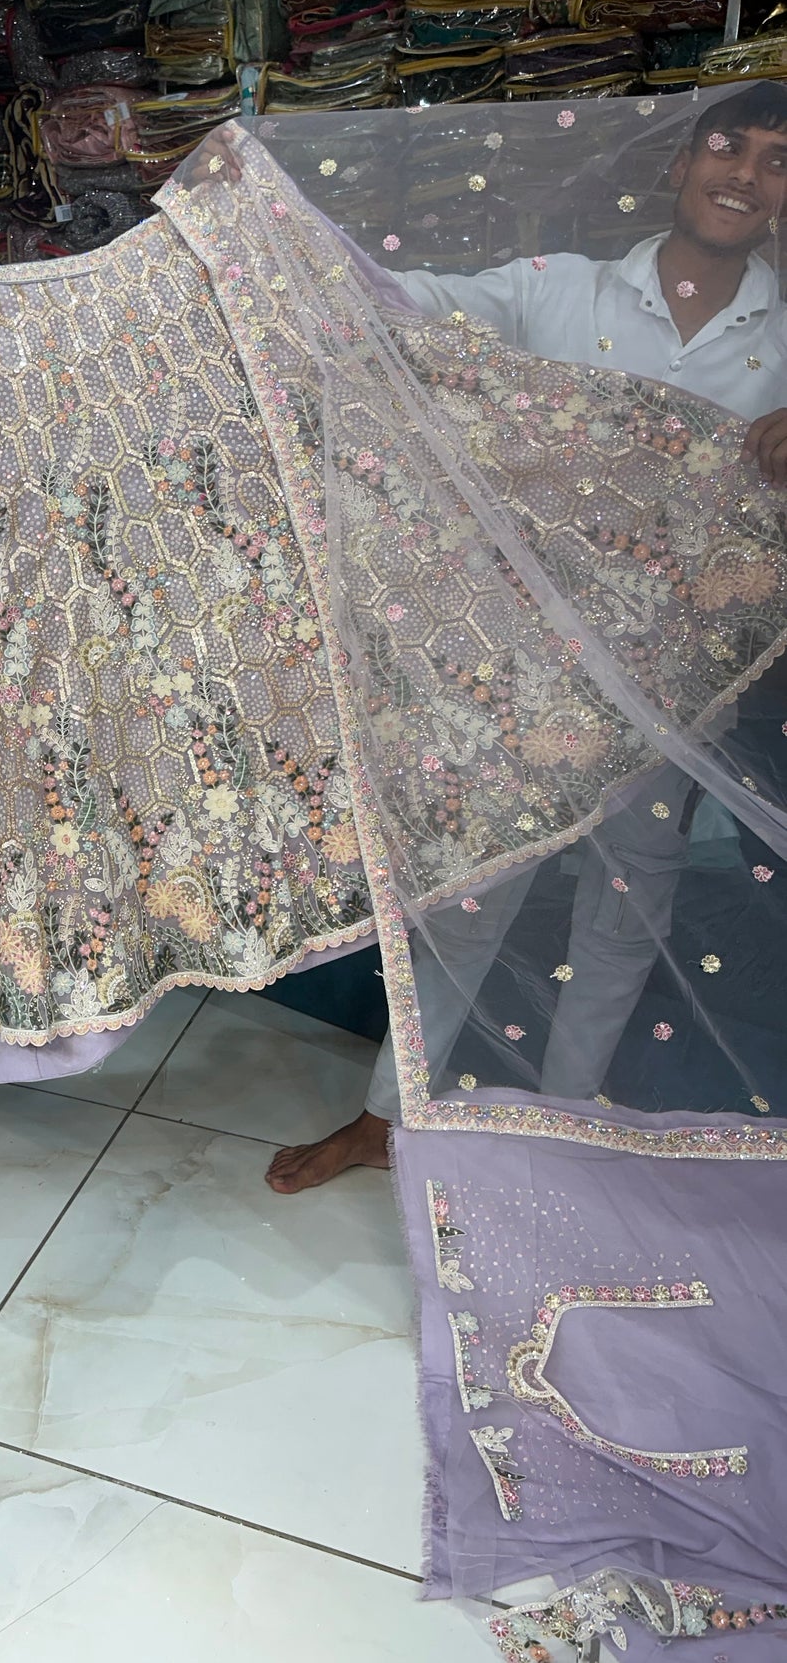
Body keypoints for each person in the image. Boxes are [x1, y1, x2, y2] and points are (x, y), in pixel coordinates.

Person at [268, 79, 787, 1193]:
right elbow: (395, 302)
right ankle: (382, 1113)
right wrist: (267, 226)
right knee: (471, 894)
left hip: (671, 695)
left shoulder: (784, 344)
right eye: (725, 144)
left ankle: (560, 1123)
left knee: (625, 900)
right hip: (526, 677)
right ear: (678, 162)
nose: (743, 173)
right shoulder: (559, 293)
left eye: (774, 161)